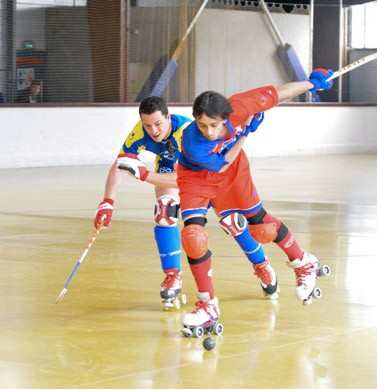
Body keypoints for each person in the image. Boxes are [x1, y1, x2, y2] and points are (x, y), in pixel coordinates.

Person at [175, 68, 334, 334]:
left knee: (262, 228)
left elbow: (279, 93)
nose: (209, 131)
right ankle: (207, 304)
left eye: (214, 125)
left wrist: (311, 83)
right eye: (202, 125)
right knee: (193, 236)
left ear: (226, 116)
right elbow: (221, 163)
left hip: (235, 173)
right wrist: (246, 133)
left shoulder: (241, 105)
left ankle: (303, 261)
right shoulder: (193, 141)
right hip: (197, 179)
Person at [94, 96, 191, 310]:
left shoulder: (187, 131)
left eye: (158, 124)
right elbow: (120, 164)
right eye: (148, 125)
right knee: (165, 211)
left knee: (233, 221)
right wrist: (107, 201)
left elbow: (188, 180)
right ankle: (173, 275)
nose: (153, 131)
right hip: (169, 165)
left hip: (201, 172)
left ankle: (262, 264)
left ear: (168, 116)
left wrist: (145, 174)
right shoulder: (140, 131)